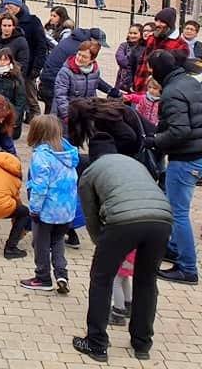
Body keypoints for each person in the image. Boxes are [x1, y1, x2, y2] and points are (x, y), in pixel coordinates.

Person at [73, 136, 172, 363]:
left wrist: (101, 244)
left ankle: (96, 343)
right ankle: (142, 344)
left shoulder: (91, 172)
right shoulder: (136, 163)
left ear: (93, 155)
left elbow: (91, 215)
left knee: (101, 278)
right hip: (162, 220)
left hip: (123, 221)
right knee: (147, 281)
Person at [144, 50, 202, 285]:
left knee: (178, 212)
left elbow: (180, 131)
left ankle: (187, 267)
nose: (150, 72)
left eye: (151, 68)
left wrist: (154, 141)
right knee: (176, 206)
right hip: (196, 152)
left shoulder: (171, 93)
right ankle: (175, 248)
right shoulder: (189, 81)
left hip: (186, 157)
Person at [21, 115, 80, 292]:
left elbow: (40, 186)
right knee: (58, 241)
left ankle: (42, 277)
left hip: (47, 210)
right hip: (66, 210)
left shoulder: (41, 156)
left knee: (41, 244)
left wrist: (34, 209)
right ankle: (62, 274)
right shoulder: (68, 153)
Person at [39, 26, 113, 113]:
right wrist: (110, 90)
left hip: (48, 80)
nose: (99, 48)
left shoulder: (75, 40)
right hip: (54, 83)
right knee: (54, 117)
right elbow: (91, 77)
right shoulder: (80, 51)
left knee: (50, 117)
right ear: (92, 40)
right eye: (99, 44)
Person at [0, 0, 49, 122]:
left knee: (30, 98)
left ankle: (37, 122)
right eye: (5, 5)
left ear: (17, 5)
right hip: (9, 65)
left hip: (29, 68)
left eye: (9, 5)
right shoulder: (5, 21)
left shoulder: (32, 22)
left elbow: (41, 46)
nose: (6, 7)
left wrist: (37, 68)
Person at [133, 8, 188, 92]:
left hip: (158, 93)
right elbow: (142, 62)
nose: (157, 24)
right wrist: (135, 83)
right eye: (156, 20)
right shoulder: (151, 38)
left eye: (162, 22)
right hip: (140, 88)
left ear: (169, 25)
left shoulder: (181, 45)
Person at [53, 40, 103, 125]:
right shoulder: (65, 71)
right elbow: (60, 95)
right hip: (65, 116)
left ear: (92, 60)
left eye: (84, 57)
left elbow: (92, 93)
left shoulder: (95, 71)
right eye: (79, 54)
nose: (79, 58)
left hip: (83, 116)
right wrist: (66, 115)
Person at [115, 23, 145, 92]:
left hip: (137, 81)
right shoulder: (123, 46)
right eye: (130, 33)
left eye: (135, 33)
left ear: (141, 35)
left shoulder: (144, 48)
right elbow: (121, 61)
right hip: (122, 82)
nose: (132, 35)